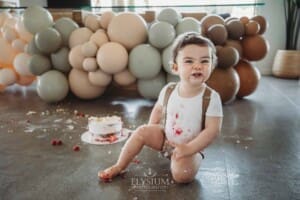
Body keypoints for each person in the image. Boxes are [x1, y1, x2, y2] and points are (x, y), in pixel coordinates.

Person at [99, 32, 223, 183]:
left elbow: (213, 130)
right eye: (189, 61)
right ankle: (119, 165)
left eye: (204, 61)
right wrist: (152, 129)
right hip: (165, 139)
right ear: (175, 68)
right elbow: (158, 109)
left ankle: (192, 159)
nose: (197, 66)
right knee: (141, 131)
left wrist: (189, 150)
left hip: (190, 147)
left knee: (181, 176)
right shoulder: (169, 90)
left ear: (212, 66)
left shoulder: (211, 98)